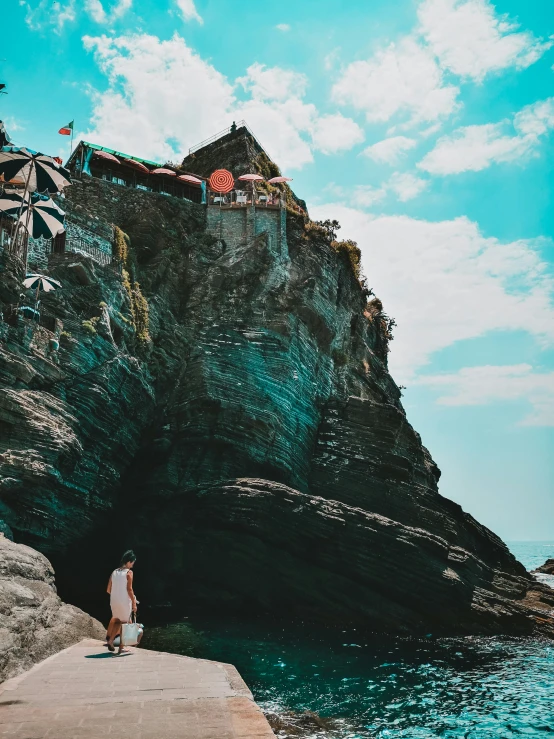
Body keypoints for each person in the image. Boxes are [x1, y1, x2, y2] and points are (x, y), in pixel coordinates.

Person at [106, 550, 138, 654]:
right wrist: (133, 602)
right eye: (132, 562)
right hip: (124, 601)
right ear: (129, 562)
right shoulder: (129, 572)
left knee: (119, 621)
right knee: (125, 623)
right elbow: (129, 589)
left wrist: (117, 594)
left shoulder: (114, 572)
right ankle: (120, 646)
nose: (133, 565)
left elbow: (108, 589)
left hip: (114, 600)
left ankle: (113, 641)